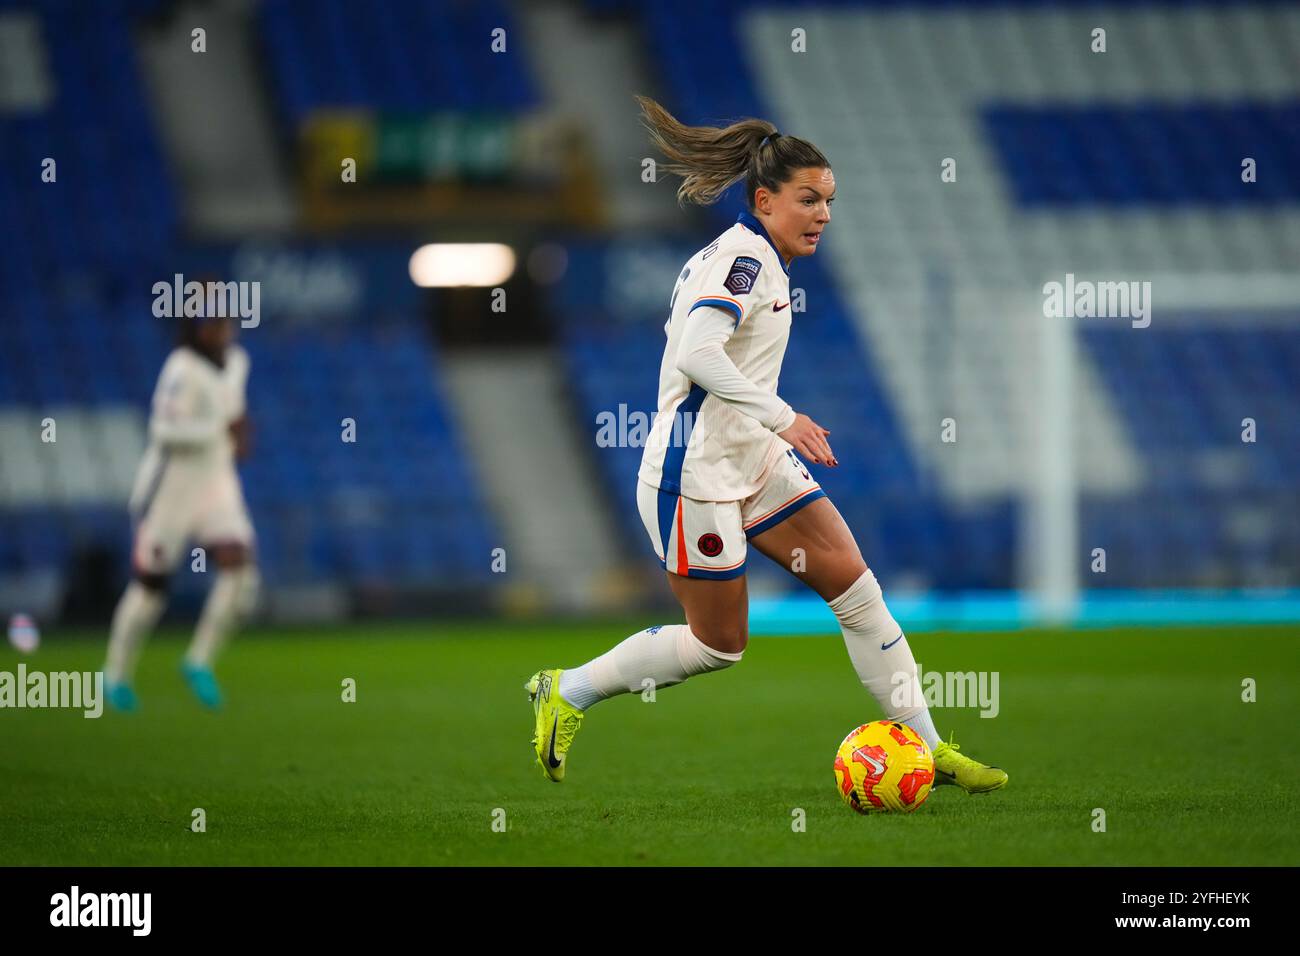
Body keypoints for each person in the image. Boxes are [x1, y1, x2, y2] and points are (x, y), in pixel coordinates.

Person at [526, 96, 1006, 794]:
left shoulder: (765, 260)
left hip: (753, 459)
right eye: (810, 200)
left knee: (857, 590)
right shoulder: (742, 263)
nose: (824, 215)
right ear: (765, 199)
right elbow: (696, 353)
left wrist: (767, 429)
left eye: (830, 202)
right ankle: (567, 689)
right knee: (719, 645)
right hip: (694, 475)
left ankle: (930, 750)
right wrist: (783, 416)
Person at [103, 313, 259, 711]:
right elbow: (163, 431)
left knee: (239, 568)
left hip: (216, 482)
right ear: (195, 328)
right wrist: (218, 430)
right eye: (212, 324)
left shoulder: (238, 361)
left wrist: (240, 434)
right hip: (172, 487)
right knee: (151, 589)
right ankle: (115, 674)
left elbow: (234, 412)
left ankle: (198, 661)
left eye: (226, 322)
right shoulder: (181, 368)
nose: (221, 331)